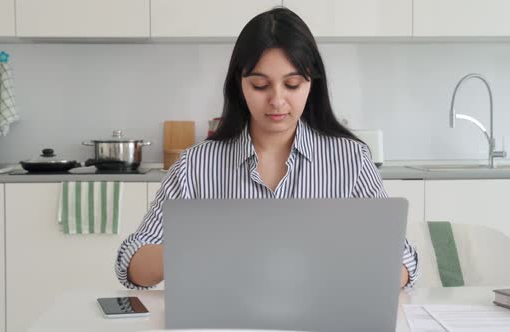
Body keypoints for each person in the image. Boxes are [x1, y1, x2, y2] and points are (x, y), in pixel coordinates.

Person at [115, 7, 418, 290]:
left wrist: (343, 261)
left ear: (311, 83)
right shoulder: (196, 165)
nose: (277, 100)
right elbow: (131, 261)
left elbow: (404, 263)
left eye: (292, 84)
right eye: (260, 85)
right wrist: (199, 251)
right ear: (240, 84)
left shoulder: (350, 160)